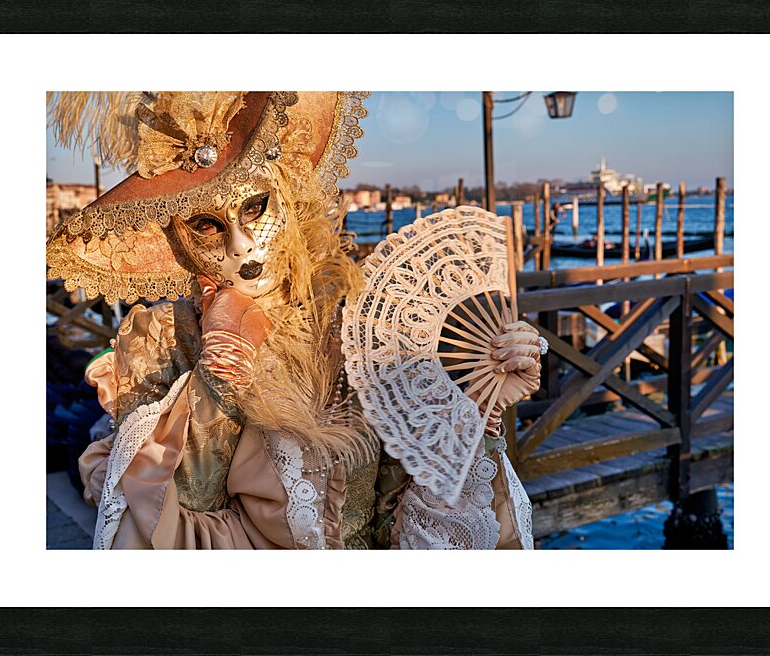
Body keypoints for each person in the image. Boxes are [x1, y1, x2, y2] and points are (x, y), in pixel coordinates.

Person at [46, 91, 543, 549]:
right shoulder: (163, 342)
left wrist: (478, 402)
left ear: (288, 195)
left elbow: (406, 494)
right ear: (176, 237)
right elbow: (181, 522)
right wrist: (220, 364)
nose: (239, 245)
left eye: (254, 208)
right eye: (206, 225)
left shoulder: (359, 323)